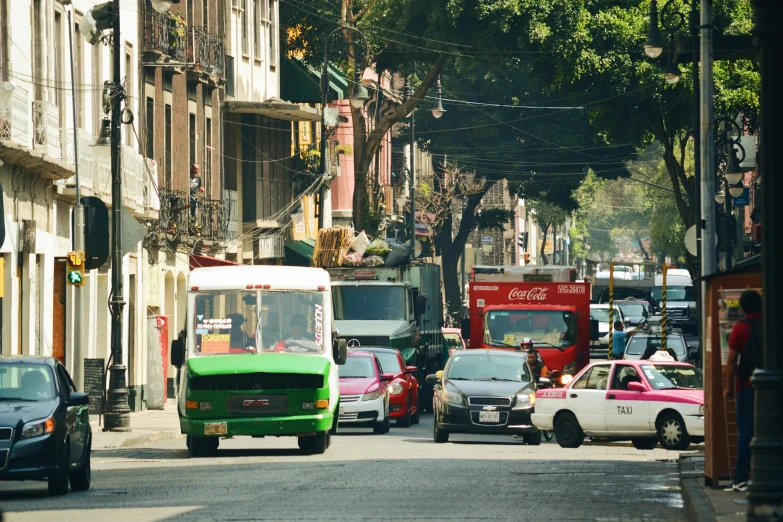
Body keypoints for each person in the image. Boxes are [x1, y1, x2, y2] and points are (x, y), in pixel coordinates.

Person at [724, 290, 762, 493]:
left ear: (743, 308)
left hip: (747, 386)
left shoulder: (740, 328)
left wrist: (728, 386)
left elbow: (731, 360)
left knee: (746, 432)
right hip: (771, 389)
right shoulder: (772, 324)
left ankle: (741, 478)